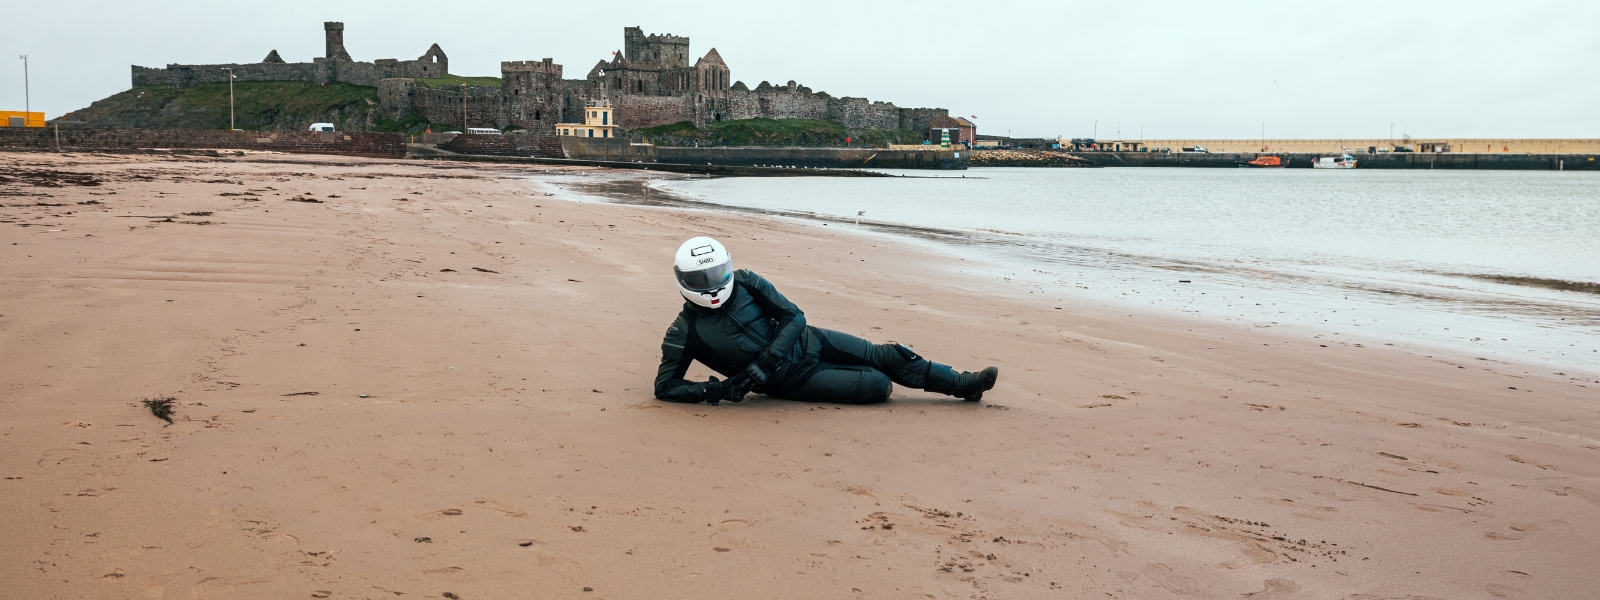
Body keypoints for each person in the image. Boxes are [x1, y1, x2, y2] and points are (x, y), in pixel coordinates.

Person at [655, 237, 999, 405]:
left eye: (717, 273)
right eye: (702, 279)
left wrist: (767, 359)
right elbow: (665, 386)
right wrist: (716, 390)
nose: (713, 284)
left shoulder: (746, 280)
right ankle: (938, 383)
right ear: (684, 281)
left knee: (892, 355)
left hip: (810, 340)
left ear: (728, 266)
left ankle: (963, 384)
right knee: (878, 385)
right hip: (791, 381)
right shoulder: (683, 332)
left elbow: (794, 316)